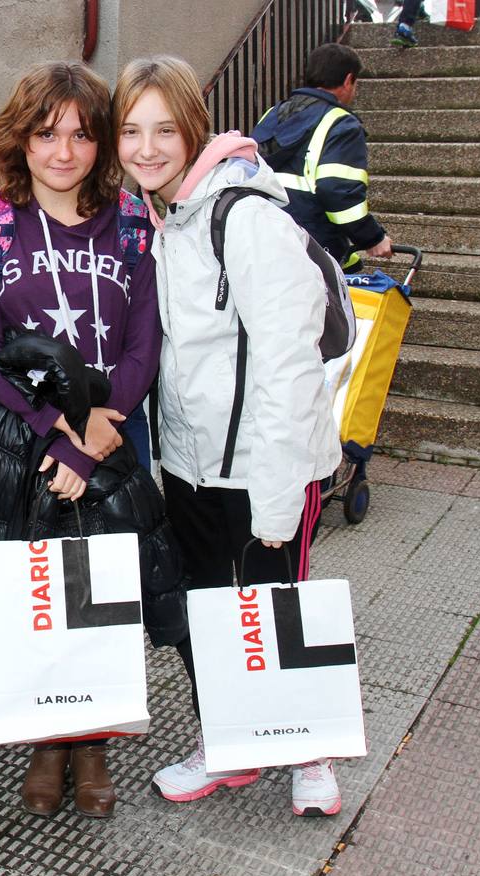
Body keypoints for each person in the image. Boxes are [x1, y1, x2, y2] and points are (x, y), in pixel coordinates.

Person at [0, 61, 186, 819]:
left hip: (111, 436)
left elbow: (145, 344)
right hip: (22, 441)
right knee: (33, 590)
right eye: (47, 134)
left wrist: (92, 440)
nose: (65, 151)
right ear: (22, 139)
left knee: (100, 588)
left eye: (81, 134)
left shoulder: (135, 224)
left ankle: (94, 737)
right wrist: (57, 434)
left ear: (101, 143)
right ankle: (47, 736)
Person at [113, 56, 344, 817]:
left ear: (193, 130)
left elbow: (288, 365)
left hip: (265, 470)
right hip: (192, 467)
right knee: (211, 612)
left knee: (279, 608)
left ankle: (309, 751)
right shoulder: (163, 219)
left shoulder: (244, 218)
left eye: (164, 130)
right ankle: (231, 744)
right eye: (131, 131)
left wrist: (278, 500)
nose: (146, 148)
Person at [251, 43, 392, 272]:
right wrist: (373, 238)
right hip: (311, 243)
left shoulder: (275, 113)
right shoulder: (341, 123)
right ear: (348, 80)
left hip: (262, 233)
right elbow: (337, 190)